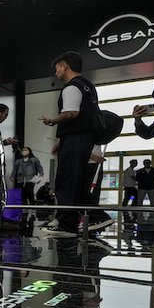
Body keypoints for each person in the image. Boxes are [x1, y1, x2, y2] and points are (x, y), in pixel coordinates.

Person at [40, 51, 99, 236]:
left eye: (57, 67)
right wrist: (60, 139)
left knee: (66, 180)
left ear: (64, 66)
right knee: (75, 181)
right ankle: (80, 220)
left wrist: (52, 121)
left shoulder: (71, 87)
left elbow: (71, 113)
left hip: (75, 139)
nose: (55, 71)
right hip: (84, 139)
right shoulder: (88, 86)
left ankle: (67, 225)